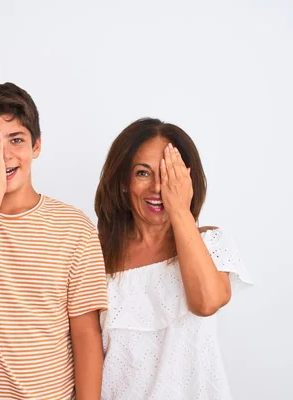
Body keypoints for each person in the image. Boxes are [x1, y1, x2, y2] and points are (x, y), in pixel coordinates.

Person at [0, 82, 108, 399]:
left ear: (36, 146)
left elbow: (86, 335)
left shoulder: (74, 226)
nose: (5, 154)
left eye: (16, 140)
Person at [95, 117, 253, 399]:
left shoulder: (211, 242)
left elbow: (207, 302)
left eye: (169, 174)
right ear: (123, 182)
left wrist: (180, 210)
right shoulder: (96, 257)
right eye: (143, 173)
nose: (158, 188)